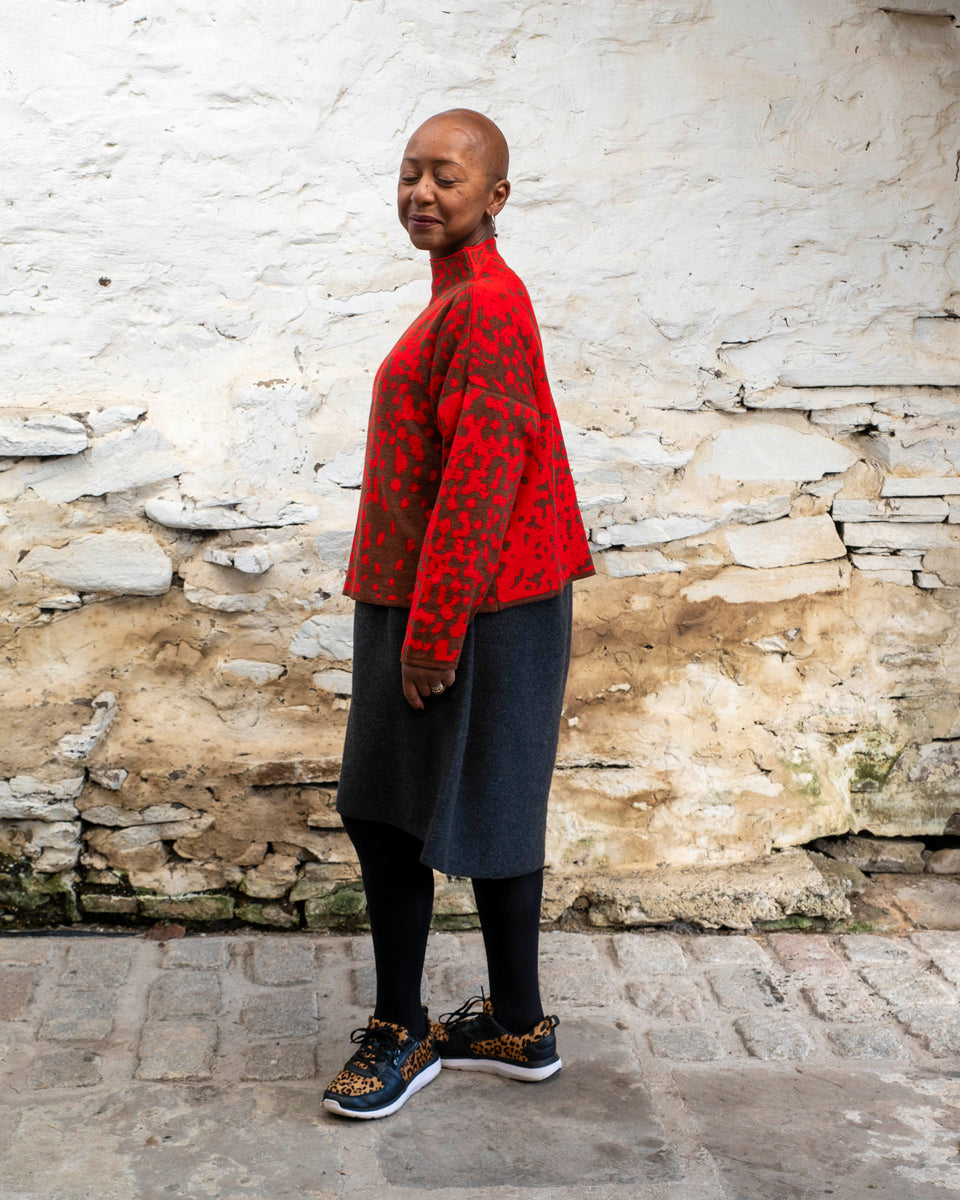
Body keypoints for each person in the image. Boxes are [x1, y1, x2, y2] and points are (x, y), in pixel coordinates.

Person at [322, 108, 596, 1120]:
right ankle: (516, 1024)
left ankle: (402, 1032)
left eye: (447, 176)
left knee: (390, 812)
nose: (422, 193)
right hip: (476, 594)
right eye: (410, 174)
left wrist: (430, 637)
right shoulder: (467, 296)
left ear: (495, 196)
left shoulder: (484, 304)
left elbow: (483, 478)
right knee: (489, 804)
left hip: (460, 602)